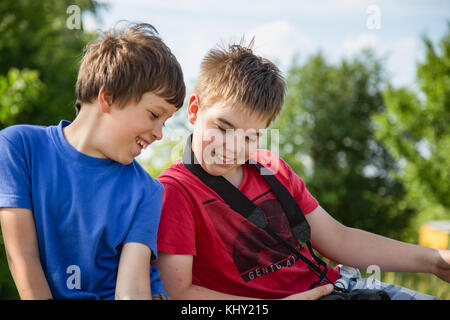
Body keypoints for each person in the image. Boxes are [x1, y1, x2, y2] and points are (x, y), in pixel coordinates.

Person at [154, 41, 450, 300]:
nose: (233, 147)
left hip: (340, 288)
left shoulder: (272, 169)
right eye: (222, 127)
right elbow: (179, 293)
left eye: (249, 137)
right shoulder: (175, 191)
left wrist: (434, 261)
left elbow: (339, 240)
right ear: (194, 110)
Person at [0, 23, 185, 300]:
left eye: (166, 122)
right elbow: (23, 258)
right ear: (107, 97)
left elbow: (131, 291)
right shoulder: (19, 147)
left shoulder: (147, 190)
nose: (159, 133)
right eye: (154, 115)